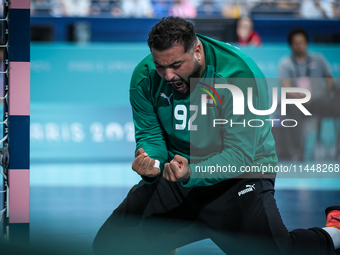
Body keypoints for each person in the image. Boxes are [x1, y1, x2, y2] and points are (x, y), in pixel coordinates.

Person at [93, 17, 340, 255]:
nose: (168, 76)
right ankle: (166, 240)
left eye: (176, 65)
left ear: (197, 50)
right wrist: (151, 162)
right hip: (178, 173)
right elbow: (151, 136)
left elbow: (239, 155)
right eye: (160, 66)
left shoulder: (238, 75)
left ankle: (336, 230)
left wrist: (191, 171)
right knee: (110, 246)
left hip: (239, 177)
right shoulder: (144, 77)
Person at [278, 27, 335, 161]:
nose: (299, 45)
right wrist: (301, 98)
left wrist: (329, 93)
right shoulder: (285, 63)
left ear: (307, 43)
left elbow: (329, 80)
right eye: (296, 43)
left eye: (302, 42)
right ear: (291, 45)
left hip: (318, 100)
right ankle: (297, 152)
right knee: (289, 107)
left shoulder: (318, 59)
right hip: (298, 103)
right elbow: (286, 87)